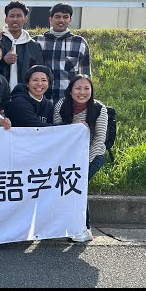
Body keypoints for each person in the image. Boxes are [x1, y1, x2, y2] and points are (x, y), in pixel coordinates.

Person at [53, 74, 108, 243]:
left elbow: (100, 140)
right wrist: (73, 127)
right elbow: (56, 129)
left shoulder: (99, 109)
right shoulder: (62, 105)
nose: (82, 92)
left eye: (86, 88)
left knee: (78, 187)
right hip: (68, 157)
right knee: (69, 188)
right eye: (78, 88)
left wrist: (85, 163)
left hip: (93, 156)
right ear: (70, 91)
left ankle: (85, 229)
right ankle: (68, 226)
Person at [34, 3, 91, 105]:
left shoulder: (79, 43)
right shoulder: (37, 41)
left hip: (69, 102)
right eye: (57, 17)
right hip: (40, 101)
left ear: (70, 20)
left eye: (65, 17)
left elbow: (85, 77)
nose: (61, 20)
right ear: (50, 19)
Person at [0, 0, 44, 91]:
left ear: (25, 19)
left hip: (25, 96)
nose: (15, 19)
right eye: (12, 16)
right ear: (6, 20)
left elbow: (39, 73)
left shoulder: (33, 46)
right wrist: (3, 61)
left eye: (19, 16)